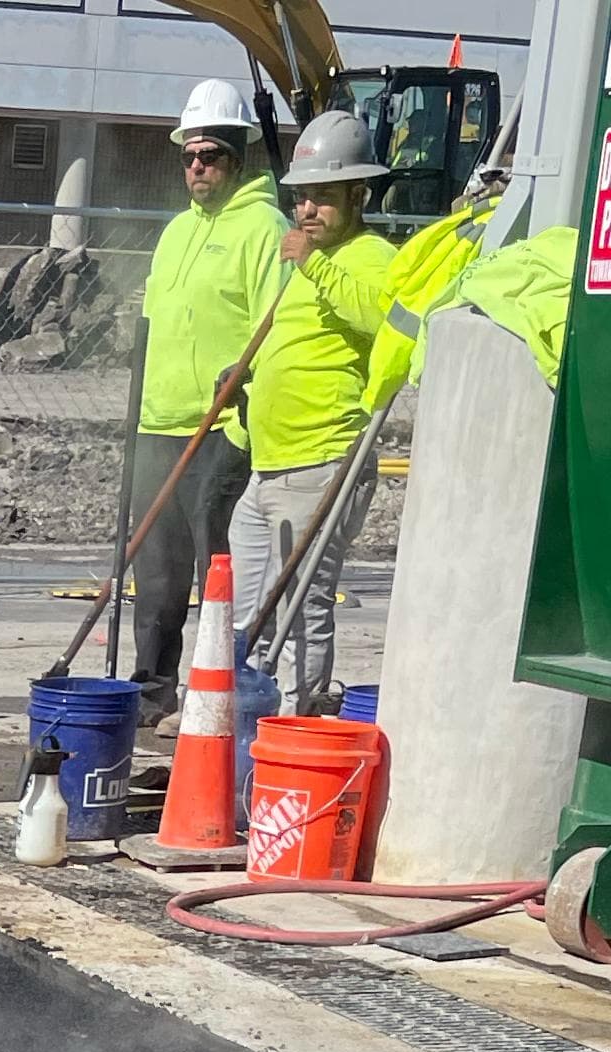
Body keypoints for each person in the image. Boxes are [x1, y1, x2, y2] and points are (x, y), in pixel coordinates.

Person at [228, 106, 399, 719]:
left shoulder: (369, 256)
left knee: (303, 604)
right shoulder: (305, 262)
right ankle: (233, 720)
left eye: (322, 199)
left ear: (358, 195)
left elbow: (379, 318)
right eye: (302, 198)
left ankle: (293, 724)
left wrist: (314, 262)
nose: (307, 211)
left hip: (326, 460)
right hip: (270, 463)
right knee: (240, 605)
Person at [126, 80, 283, 707]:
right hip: (158, 424)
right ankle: (154, 687)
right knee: (156, 572)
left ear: (237, 156)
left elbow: (274, 325)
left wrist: (239, 396)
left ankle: (219, 688)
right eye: (189, 155)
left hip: (220, 429)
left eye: (210, 154)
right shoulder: (174, 234)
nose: (197, 165)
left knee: (218, 569)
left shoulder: (262, 229)